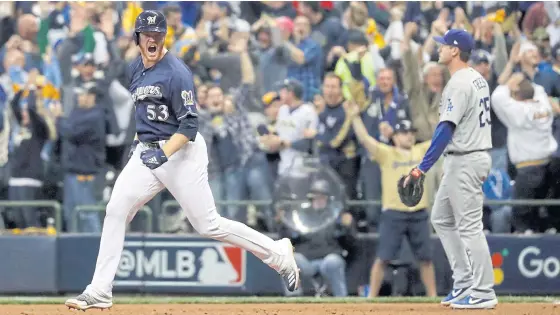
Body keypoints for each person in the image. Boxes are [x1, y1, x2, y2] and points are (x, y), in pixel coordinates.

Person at [64, 10, 299, 311]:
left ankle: (277, 253)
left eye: (158, 34)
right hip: (147, 150)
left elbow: (189, 127)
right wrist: (141, 143)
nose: (153, 39)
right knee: (115, 210)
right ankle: (99, 290)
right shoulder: (135, 67)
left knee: (208, 224)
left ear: (165, 37)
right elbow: (145, 110)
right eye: (147, 34)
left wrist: (162, 153)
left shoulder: (177, 72)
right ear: (137, 38)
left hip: (181, 152)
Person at [401, 29, 498, 309]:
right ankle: (464, 281)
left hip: (466, 158)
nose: (440, 48)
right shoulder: (477, 78)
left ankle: (483, 291)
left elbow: (445, 129)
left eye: (444, 45)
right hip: (468, 156)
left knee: (469, 227)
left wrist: (422, 167)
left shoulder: (458, 83)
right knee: (442, 218)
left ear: (455, 50)